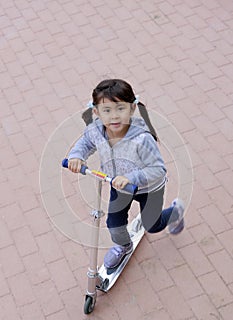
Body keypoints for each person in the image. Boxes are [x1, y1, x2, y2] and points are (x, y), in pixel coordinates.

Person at [67, 79, 184, 269]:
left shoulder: (141, 138)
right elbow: (85, 143)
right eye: (107, 111)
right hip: (118, 186)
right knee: (114, 223)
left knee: (152, 225)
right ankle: (123, 245)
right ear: (96, 112)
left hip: (149, 188)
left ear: (132, 109)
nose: (114, 117)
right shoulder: (96, 130)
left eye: (120, 109)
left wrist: (130, 178)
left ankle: (175, 212)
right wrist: (76, 156)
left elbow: (158, 170)